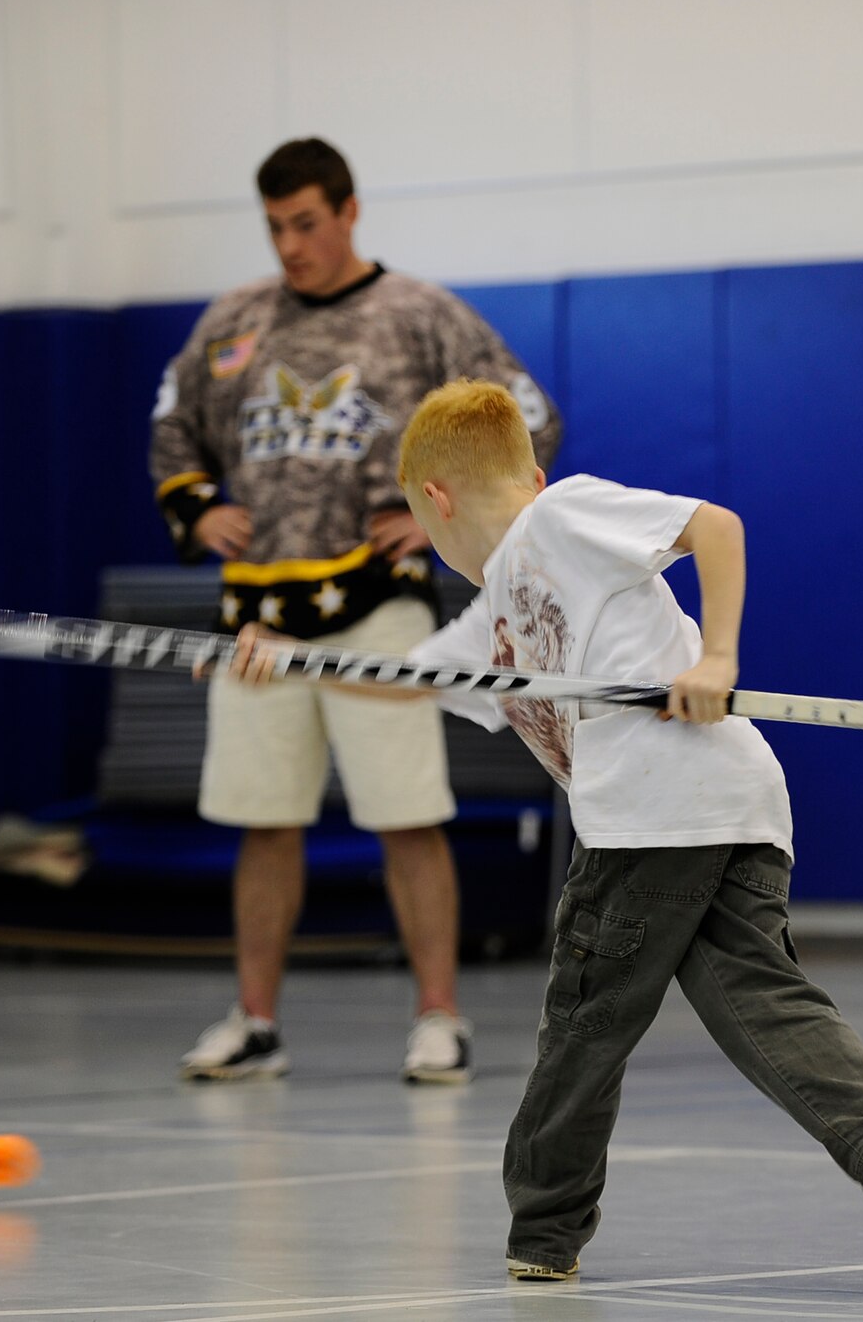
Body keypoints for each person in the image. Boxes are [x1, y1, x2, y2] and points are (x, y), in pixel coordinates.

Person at [230, 380, 863, 1293]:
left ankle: (542, 1231)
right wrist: (294, 663)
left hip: (652, 812)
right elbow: (401, 676)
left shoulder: (564, 514)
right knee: (756, 1002)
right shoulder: (493, 616)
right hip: (730, 805)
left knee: (585, 1020)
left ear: (435, 501)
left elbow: (718, 527)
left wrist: (719, 659)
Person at [150, 138, 562, 1085]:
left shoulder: (421, 316)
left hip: (377, 606)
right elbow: (171, 424)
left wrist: (434, 516)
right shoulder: (235, 321)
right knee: (266, 821)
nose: (290, 244)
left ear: (348, 212)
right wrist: (195, 506)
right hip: (257, 616)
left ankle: (440, 1018)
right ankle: (255, 1022)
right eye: (275, 228)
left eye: (305, 223)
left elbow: (527, 413)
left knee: (408, 816)